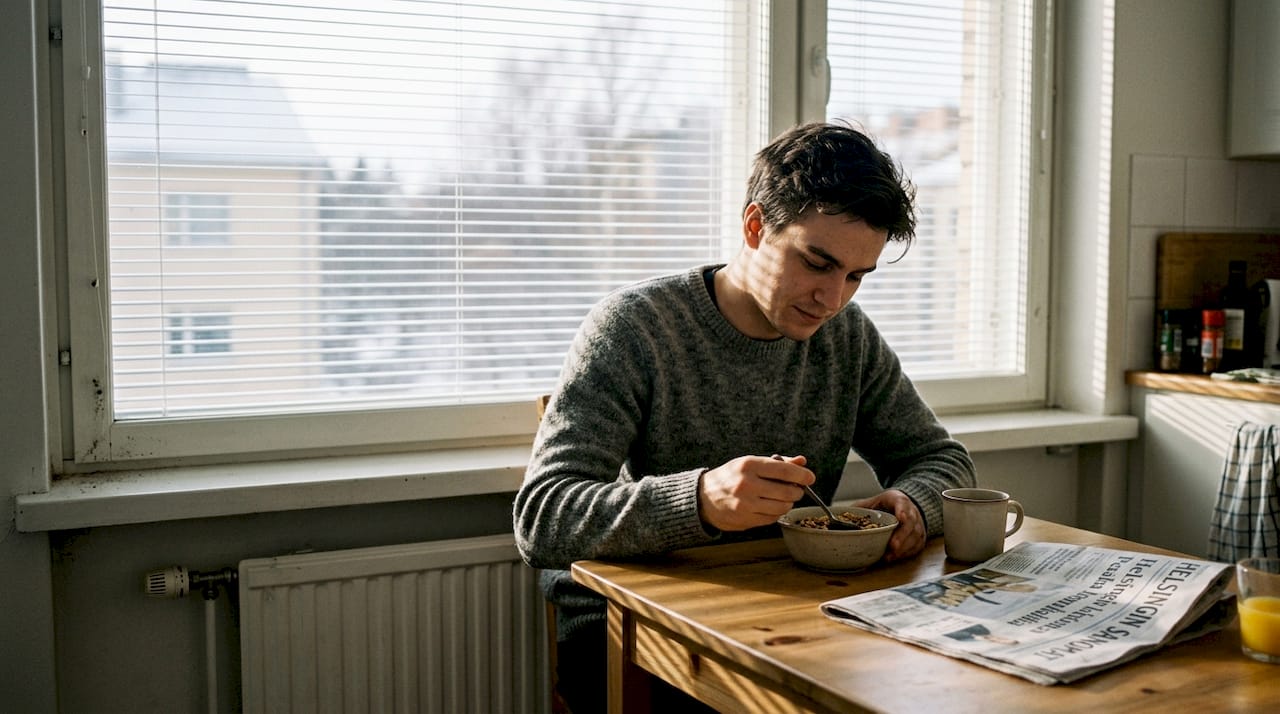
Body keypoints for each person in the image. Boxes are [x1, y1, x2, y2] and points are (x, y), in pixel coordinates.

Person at [513, 121, 977, 713]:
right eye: (816, 263)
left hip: (790, 610)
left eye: (856, 277)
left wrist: (914, 503)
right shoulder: (634, 328)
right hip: (630, 623)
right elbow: (542, 518)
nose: (832, 300)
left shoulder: (847, 338)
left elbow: (941, 460)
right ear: (755, 226)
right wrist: (701, 501)